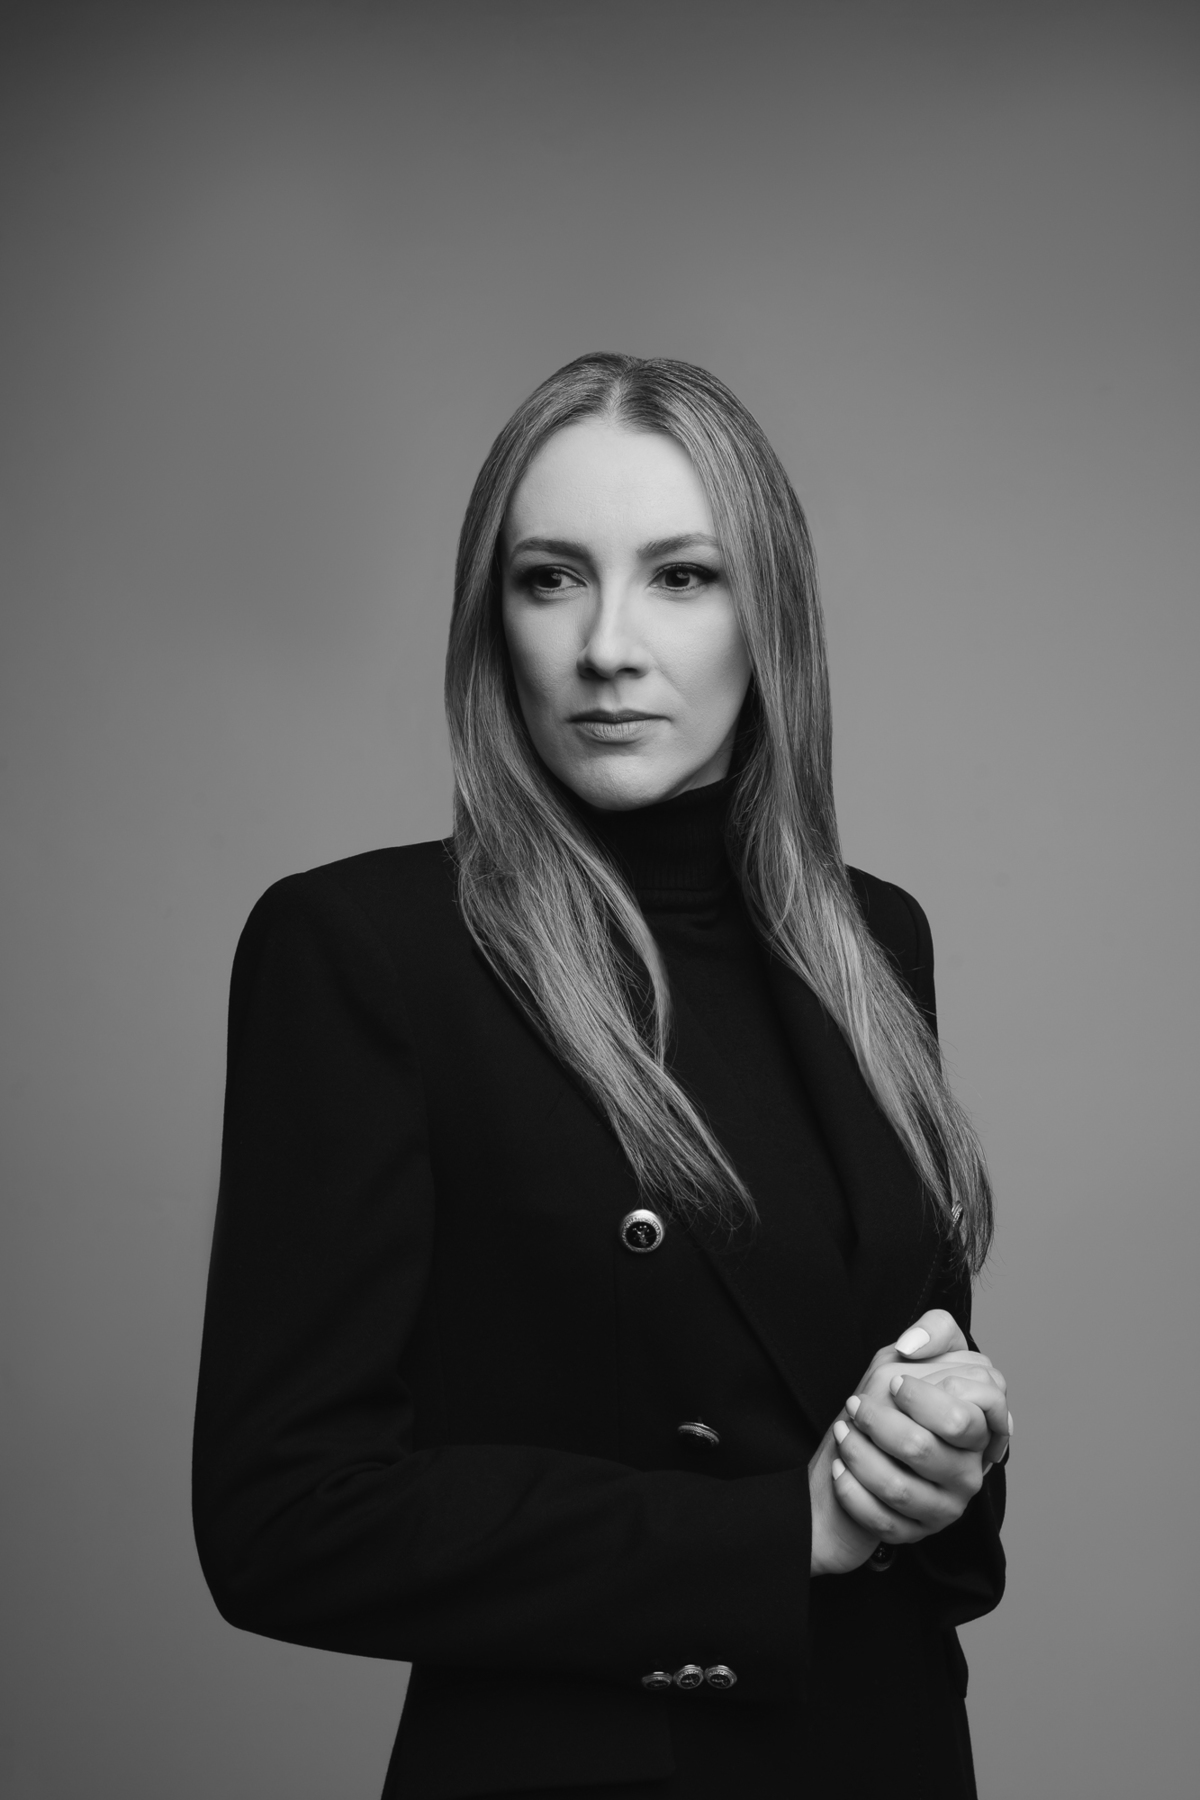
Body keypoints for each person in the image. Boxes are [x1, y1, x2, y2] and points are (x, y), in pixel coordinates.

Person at [193, 353, 1010, 1800]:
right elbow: (284, 1517)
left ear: (771, 617)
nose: (608, 647)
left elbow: (913, 1502)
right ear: (491, 619)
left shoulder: (871, 937)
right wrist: (775, 1536)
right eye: (552, 579)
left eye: (683, 578)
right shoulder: (369, 950)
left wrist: (943, 1449)